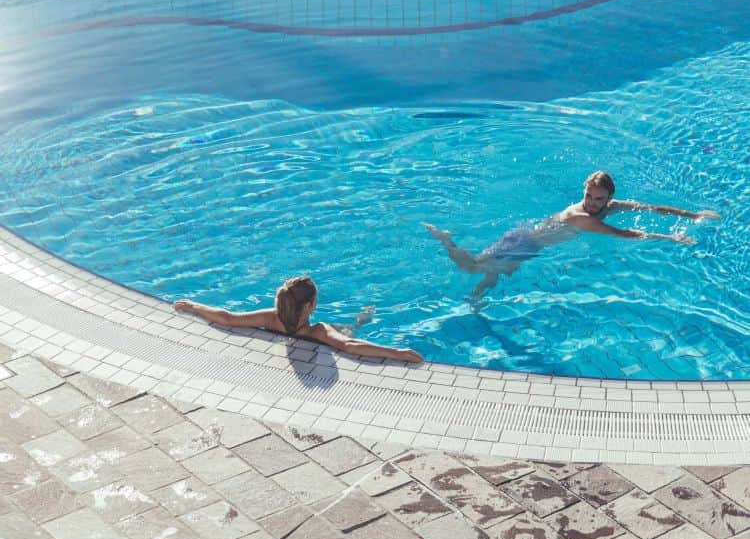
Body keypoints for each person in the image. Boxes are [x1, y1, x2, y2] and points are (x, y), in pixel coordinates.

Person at [425, 170, 720, 298]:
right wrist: (671, 239)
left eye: (598, 199)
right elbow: (623, 233)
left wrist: (692, 215)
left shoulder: (610, 206)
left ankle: (475, 298)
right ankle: (446, 239)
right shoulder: (583, 218)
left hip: (529, 242)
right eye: (589, 196)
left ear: (609, 198)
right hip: (525, 244)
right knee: (473, 266)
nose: (592, 202)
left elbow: (652, 208)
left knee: (493, 273)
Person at [173, 275, 423, 363]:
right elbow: (349, 346)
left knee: (346, 329)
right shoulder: (318, 331)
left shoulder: (271, 318)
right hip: (330, 333)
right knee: (350, 329)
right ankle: (362, 319)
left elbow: (228, 318)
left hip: (289, 326)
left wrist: (195, 306)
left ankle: (361, 319)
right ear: (311, 305)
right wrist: (396, 352)